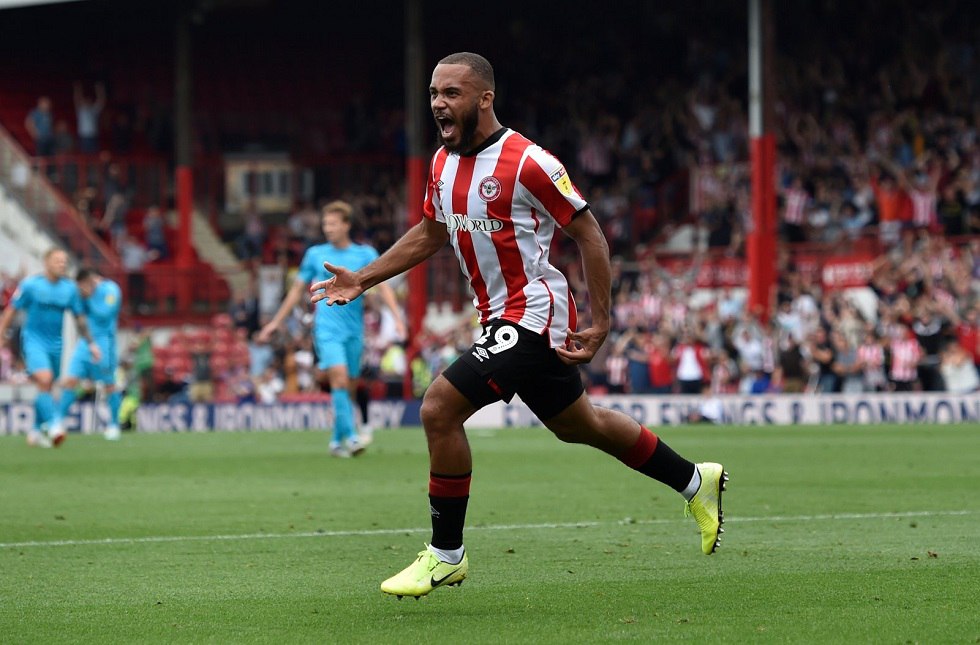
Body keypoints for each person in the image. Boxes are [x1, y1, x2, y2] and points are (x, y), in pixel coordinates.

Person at [310, 53, 727, 599]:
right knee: (580, 425)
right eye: (434, 93)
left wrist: (602, 321)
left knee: (438, 407)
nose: (438, 103)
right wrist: (363, 278)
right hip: (497, 316)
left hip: (532, 314)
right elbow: (431, 232)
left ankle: (446, 555)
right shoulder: (441, 163)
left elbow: (590, 235)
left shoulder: (529, 162)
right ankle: (696, 480)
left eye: (452, 93)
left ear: (485, 98)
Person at [259, 200, 405, 457]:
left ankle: (336, 442)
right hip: (326, 330)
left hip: (354, 331)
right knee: (338, 377)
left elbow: (383, 287)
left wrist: (397, 319)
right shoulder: (315, 254)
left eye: (333, 223)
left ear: (347, 225)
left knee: (349, 385)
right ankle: (352, 438)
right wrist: (276, 322)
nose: (328, 228)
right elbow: (296, 291)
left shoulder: (365, 254)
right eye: (325, 224)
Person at [0, 249, 101, 447]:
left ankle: (36, 430)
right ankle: (55, 424)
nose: (62, 264)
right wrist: (1, 334)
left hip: (56, 344)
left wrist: (91, 343)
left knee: (47, 386)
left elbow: (79, 318)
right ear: (46, 262)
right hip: (33, 341)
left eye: (64, 261)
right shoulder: (31, 285)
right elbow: (12, 309)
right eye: (58, 261)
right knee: (44, 379)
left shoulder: (69, 289)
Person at [58, 267, 123, 440]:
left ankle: (114, 424)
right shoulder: (81, 294)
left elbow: (105, 313)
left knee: (109, 384)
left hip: (105, 342)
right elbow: (78, 315)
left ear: (92, 281)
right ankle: (57, 422)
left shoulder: (111, 290)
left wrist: (88, 298)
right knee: (71, 379)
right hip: (86, 342)